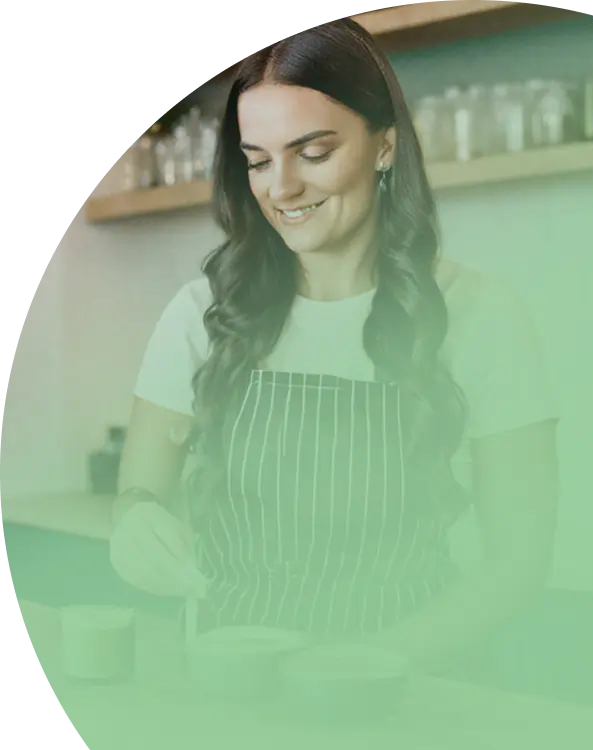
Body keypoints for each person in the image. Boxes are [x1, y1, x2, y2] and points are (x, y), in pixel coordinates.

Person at [109, 17, 559, 673]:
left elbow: (520, 565)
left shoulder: (481, 315)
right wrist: (134, 528)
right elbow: (136, 496)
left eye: (313, 153)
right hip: (236, 685)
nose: (281, 188)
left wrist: (371, 661)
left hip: (407, 691)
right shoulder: (198, 315)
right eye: (258, 161)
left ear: (385, 146)